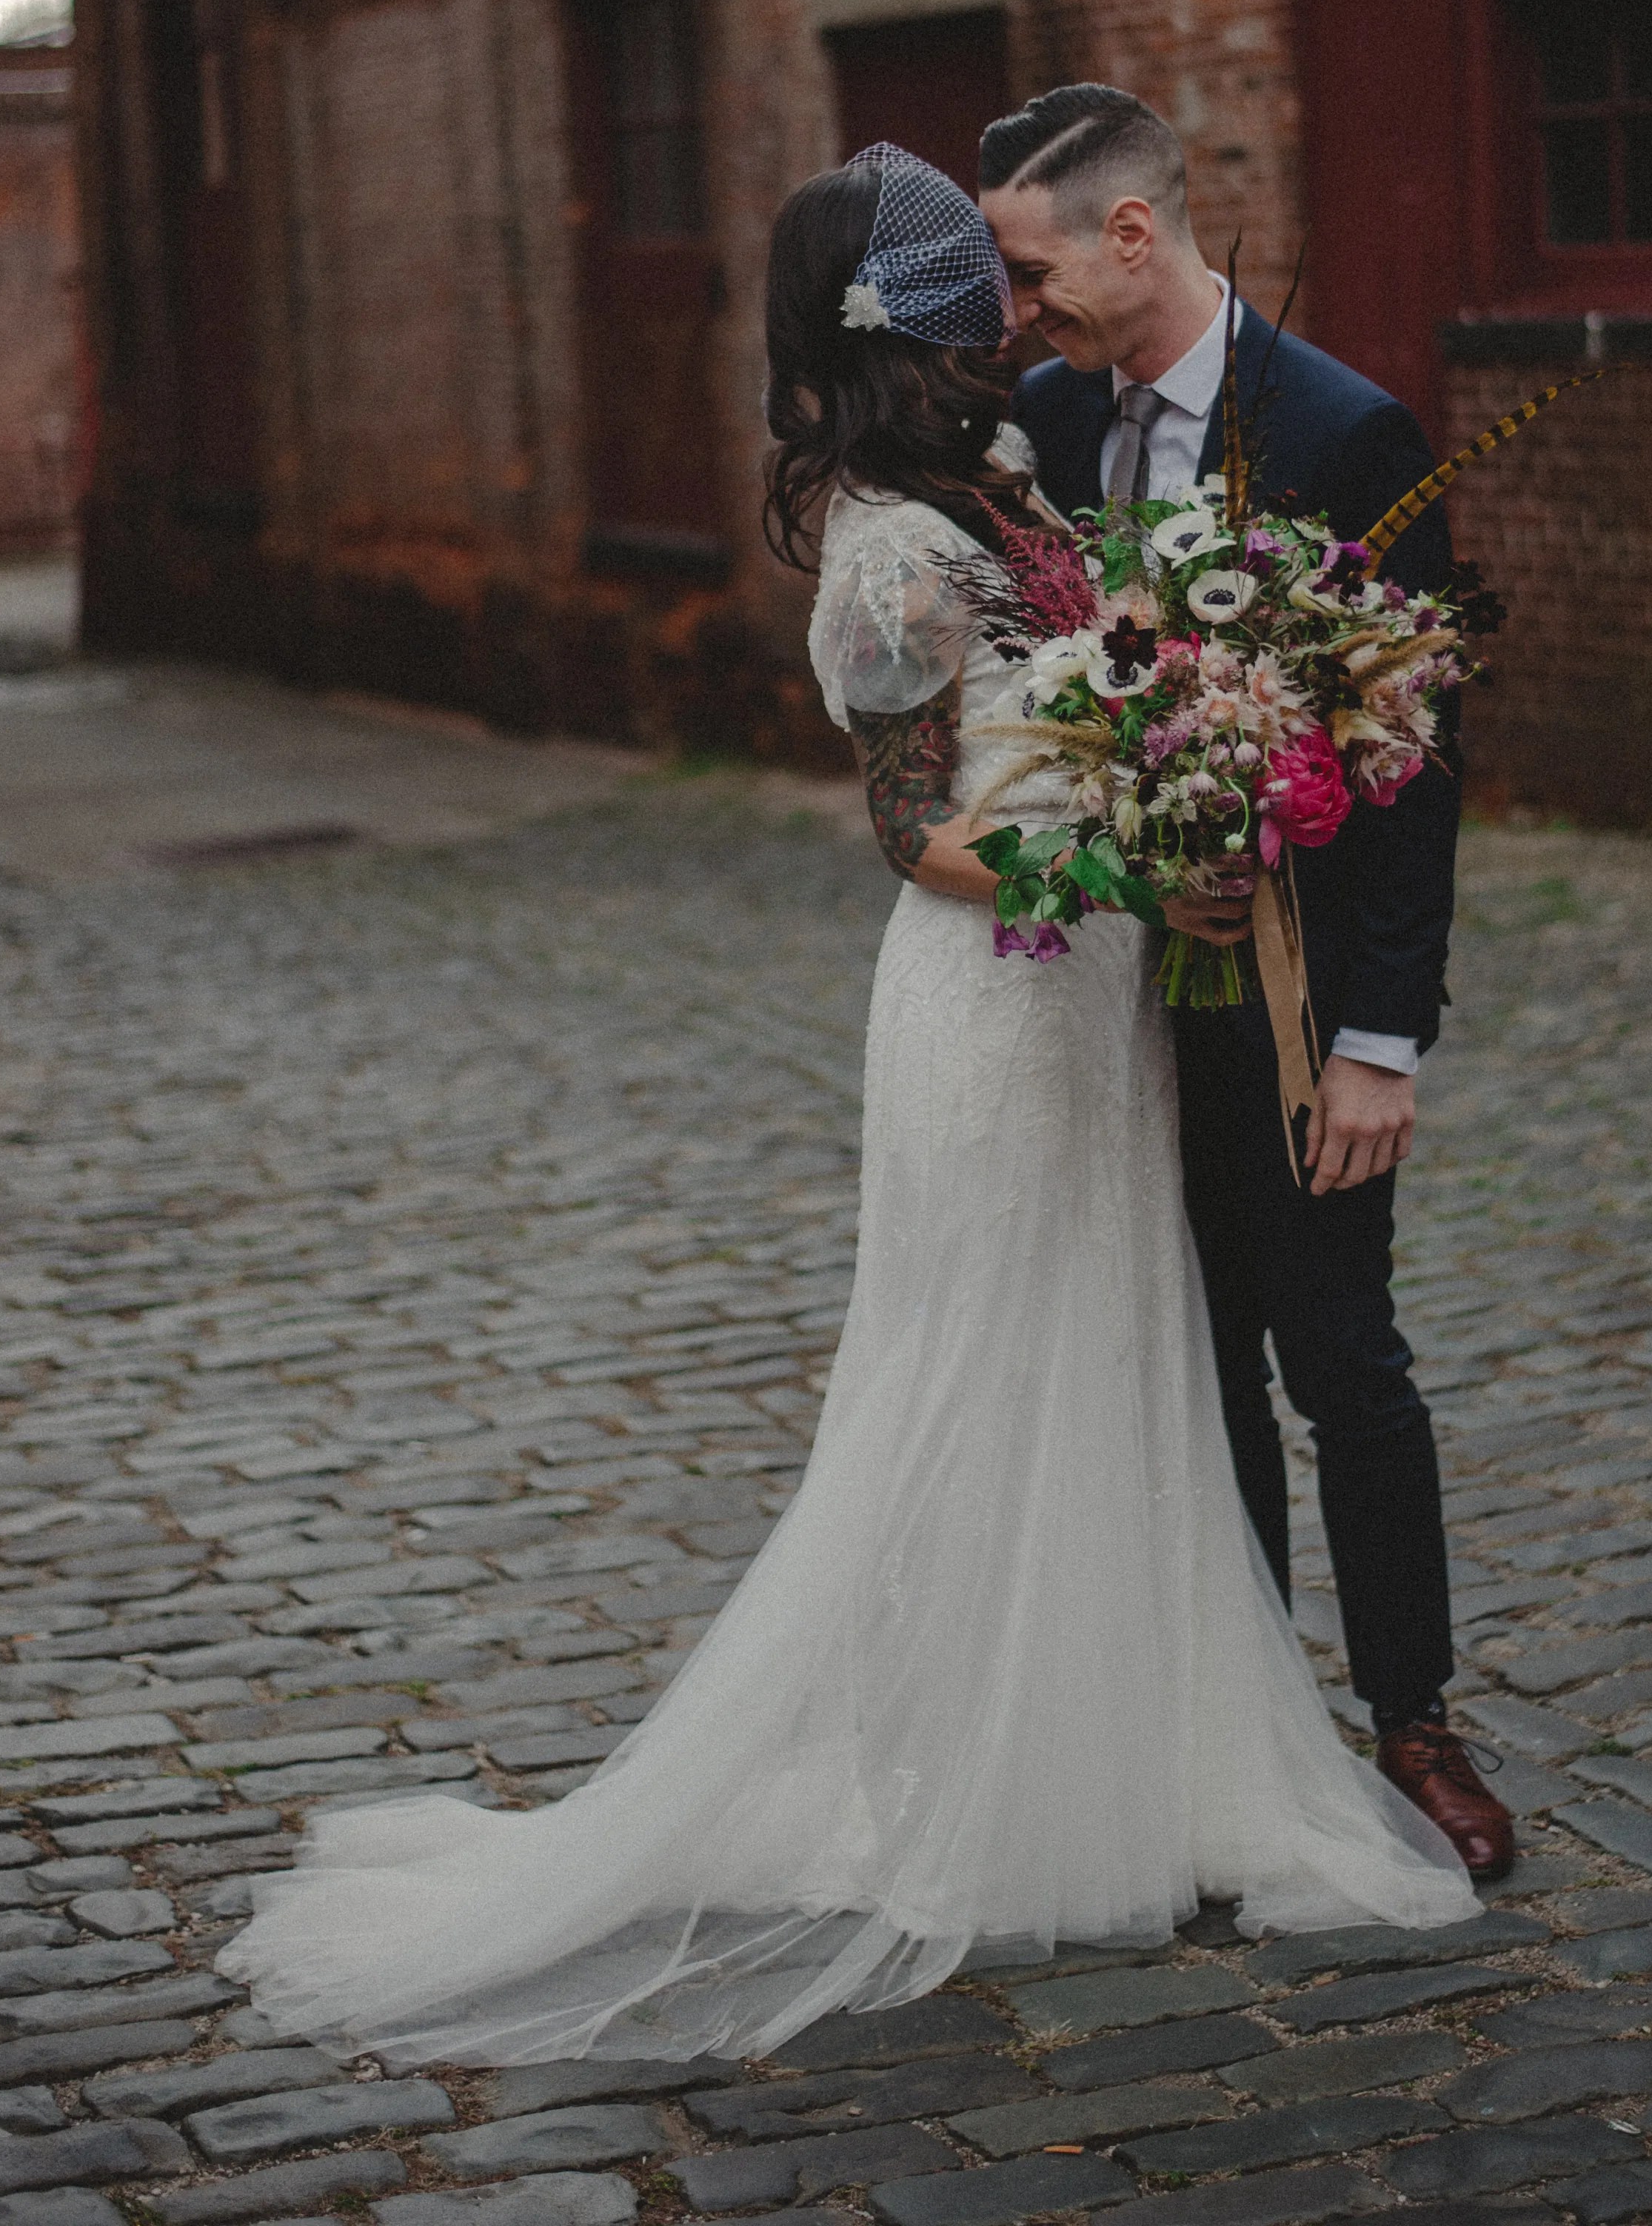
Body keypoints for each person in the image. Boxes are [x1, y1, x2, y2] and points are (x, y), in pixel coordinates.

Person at [220, 141, 1473, 2070]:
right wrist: (1134, 862)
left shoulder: (1013, 482)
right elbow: (919, 836)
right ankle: (977, 1777)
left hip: (1098, 1015)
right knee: (977, 1366)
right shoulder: (892, 538)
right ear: (924, 314)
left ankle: (1136, 1759)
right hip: (991, 1007)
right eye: (981, 278)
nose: (1013, 302)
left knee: (1117, 1352)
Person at [982, 84, 1513, 1877]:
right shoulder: (1045, 427)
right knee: (1185, 1361)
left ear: (1134, 232)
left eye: (1033, 267)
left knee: (1338, 1355)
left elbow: (1416, 766)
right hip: (1123, 993)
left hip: (1300, 1003)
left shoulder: (1345, 431)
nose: (1021, 309)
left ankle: (1415, 1719)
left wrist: (1379, 1039)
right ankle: (1239, 1727)